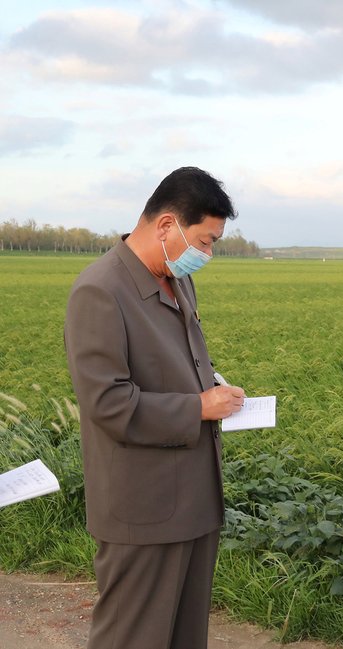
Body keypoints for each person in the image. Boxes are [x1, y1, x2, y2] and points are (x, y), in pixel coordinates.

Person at [64, 167, 246, 649]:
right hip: (142, 507)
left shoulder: (176, 280)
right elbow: (108, 404)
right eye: (204, 241)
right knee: (134, 636)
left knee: (186, 636)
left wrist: (213, 386)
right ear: (167, 225)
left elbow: (172, 363)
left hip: (195, 499)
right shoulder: (100, 291)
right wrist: (198, 407)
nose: (207, 254)